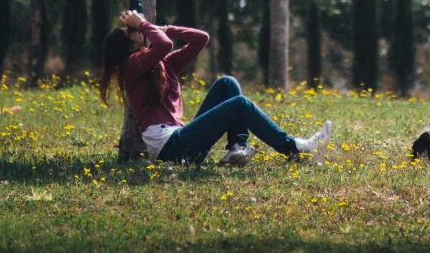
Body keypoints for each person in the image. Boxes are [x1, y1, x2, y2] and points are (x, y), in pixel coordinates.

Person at [98, 10, 332, 166]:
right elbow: (165, 45)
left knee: (227, 84)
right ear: (130, 46)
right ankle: (295, 148)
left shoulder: (163, 63)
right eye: (133, 31)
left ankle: (236, 148)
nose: (139, 29)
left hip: (182, 140)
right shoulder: (131, 65)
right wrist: (146, 25)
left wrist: (163, 27)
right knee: (240, 104)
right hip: (170, 149)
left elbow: (201, 38)